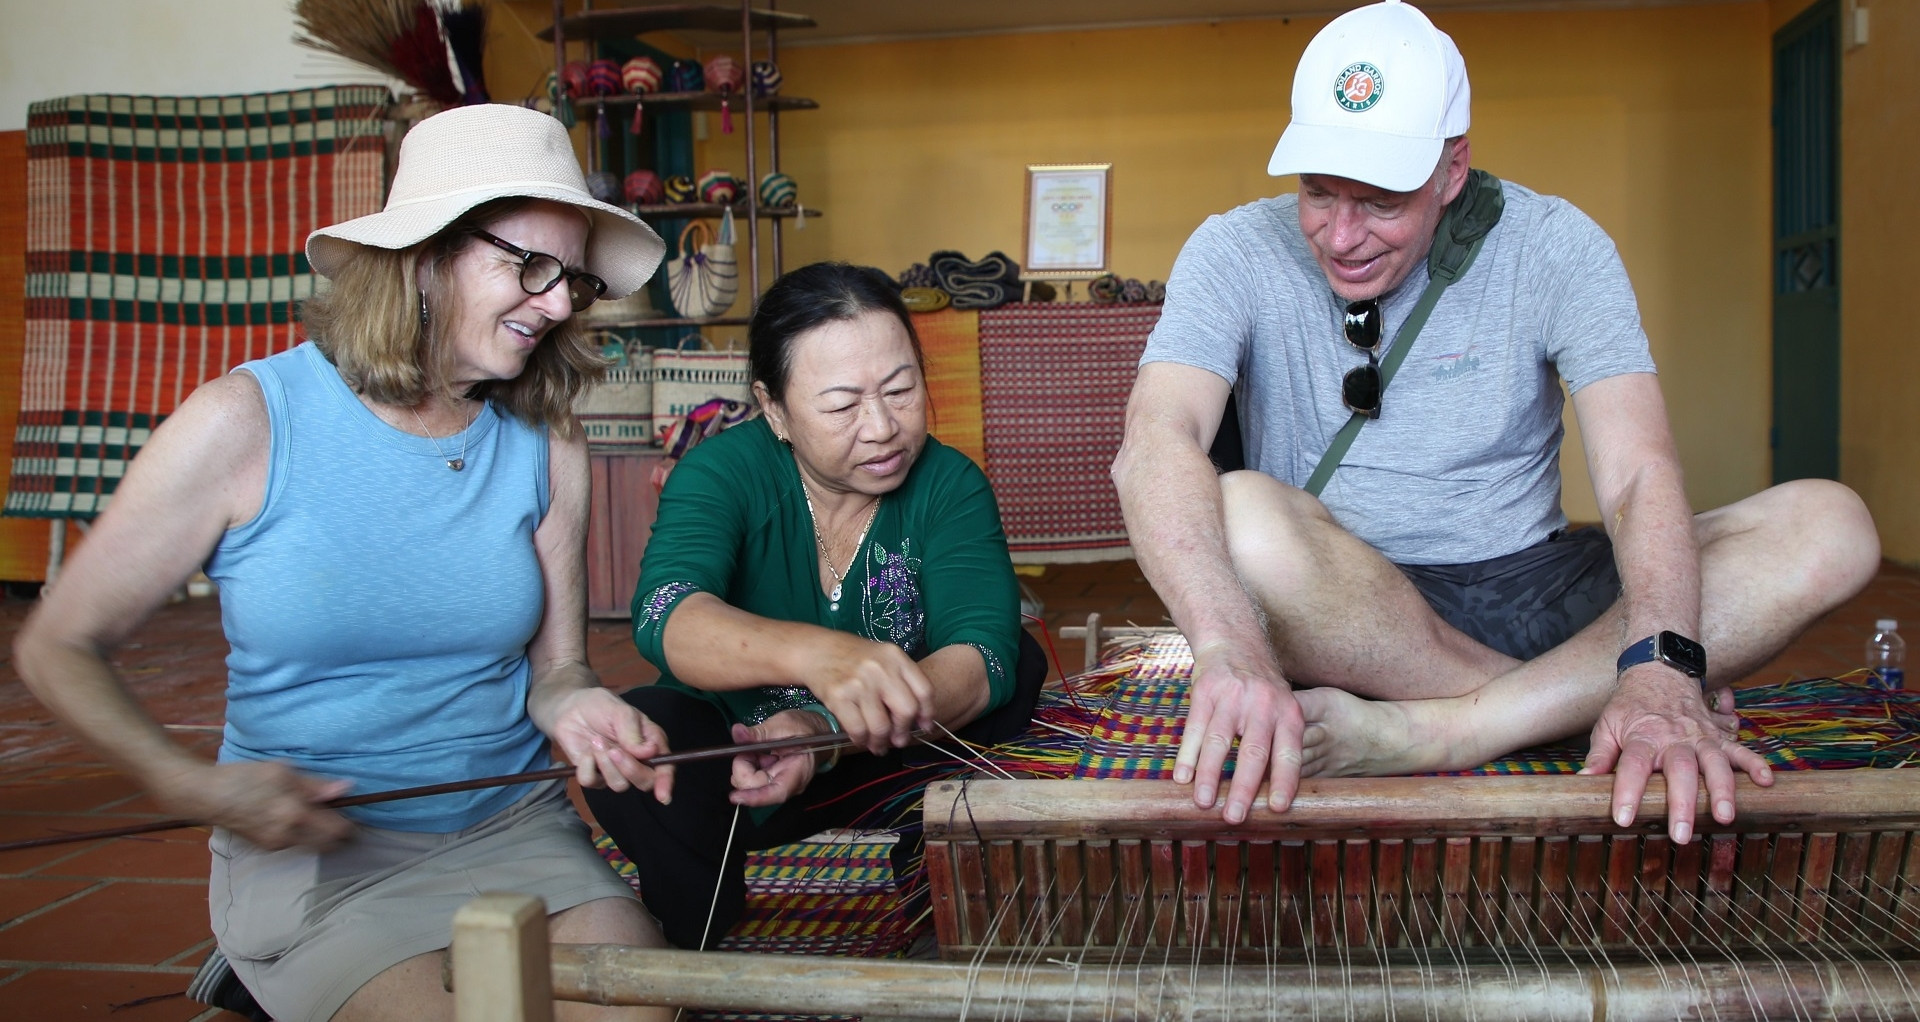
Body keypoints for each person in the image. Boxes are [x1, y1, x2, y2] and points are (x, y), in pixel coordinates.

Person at [1112, 0, 1879, 843]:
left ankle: (1450, 727)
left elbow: (1637, 474)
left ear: (1452, 169)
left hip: (1536, 588)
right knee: (1241, 514)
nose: (1342, 236)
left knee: (1829, 524)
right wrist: (1228, 647)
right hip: (1344, 606)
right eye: (1319, 193)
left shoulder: (1557, 245)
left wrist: (1660, 662)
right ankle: (1558, 702)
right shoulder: (1232, 250)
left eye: (1380, 201)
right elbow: (1157, 441)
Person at [14, 104, 680, 1022]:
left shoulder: (545, 435)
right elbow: (57, 646)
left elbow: (557, 669)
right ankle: (270, 964)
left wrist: (577, 704)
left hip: (512, 828)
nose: (561, 303)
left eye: (573, 278)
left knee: (639, 1010)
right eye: (531, 266)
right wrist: (186, 781)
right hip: (320, 855)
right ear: (424, 257)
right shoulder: (245, 423)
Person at [583, 262, 1041, 950]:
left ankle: (935, 899)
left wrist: (823, 728)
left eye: (901, 390)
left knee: (1018, 668)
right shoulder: (723, 472)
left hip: (889, 759)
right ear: (774, 409)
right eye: (841, 405)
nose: (882, 426)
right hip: (740, 759)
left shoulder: (949, 485)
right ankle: (698, 922)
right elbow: (666, 613)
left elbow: (981, 658)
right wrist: (819, 657)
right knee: (634, 736)